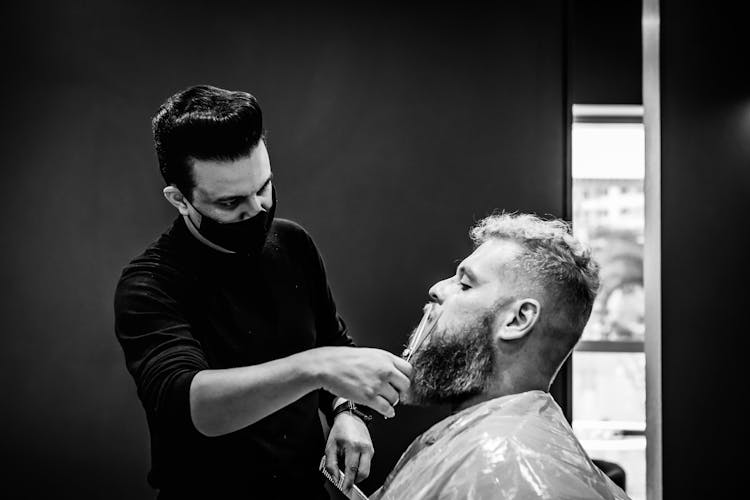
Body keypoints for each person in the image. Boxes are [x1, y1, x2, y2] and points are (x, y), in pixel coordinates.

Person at [113, 85, 411, 499]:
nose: (255, 209)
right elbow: (190, 406)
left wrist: (346, 412)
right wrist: (316, 366)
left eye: (263, 188)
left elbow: (333, 342)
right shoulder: (149, 286)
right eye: (231, 202)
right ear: (180, 200)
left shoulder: (292, 244)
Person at [372, 213, 630, 500]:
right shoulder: (497, 447)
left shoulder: (508, 469)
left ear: (517, 320)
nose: (436, 290)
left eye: (465, 285)